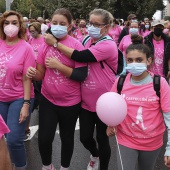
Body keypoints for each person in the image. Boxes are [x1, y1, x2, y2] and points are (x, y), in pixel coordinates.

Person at [44, 8, 118, 170]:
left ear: (106, 27)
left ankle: (102, 167)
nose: (91, 26)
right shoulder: (86, 40)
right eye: (90, 23)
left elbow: (81, 56)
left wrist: (55, 43)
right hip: (85, 100)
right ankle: (95, 154)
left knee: (102, 137)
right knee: (84, 137)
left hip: (105, 100)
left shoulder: (108, 45)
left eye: (96, 24)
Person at [26, 8, 88, 170]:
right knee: (44, 138)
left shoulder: (76, 45)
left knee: (67, 139)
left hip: (71, 103)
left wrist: (59, 66)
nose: (58, 26)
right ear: (50, 24)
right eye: (54, 23)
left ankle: (64, 167)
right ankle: (47, 166)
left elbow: (81, 75)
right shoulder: (45, 45)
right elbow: (40, 74)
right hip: (48, 100)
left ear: (69, 26)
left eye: (62, 23)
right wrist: (33, 73)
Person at [107, 34, 170, 170]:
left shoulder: (160, 83)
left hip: (152, 141)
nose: (134, 63)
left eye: (139, 60)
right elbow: (110, 106)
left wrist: (169, 148)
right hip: (125, 139)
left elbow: (169, 116)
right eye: (130, 60)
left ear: (149, 60)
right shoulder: (120, 81)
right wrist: (110, 124)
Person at [0, 10, 35, 170]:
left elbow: (27, 78)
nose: (10, 26)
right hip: (1, 98)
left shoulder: (26, 48)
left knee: (14, 139)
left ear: (20, 26)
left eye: (14, 23)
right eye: (6, 23)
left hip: (19, 97)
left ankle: (20, 167)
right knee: (3, 138)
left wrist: (26, 104)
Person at [24, 21, 44, 141]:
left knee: (39, 92)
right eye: (30, 31)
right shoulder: (31, 40)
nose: (31, 33)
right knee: (33, 92)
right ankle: (34, 105)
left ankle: (39, 106)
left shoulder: (43, 40)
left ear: (38, 29)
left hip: (40, 71)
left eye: (33, 31)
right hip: (31, 70)